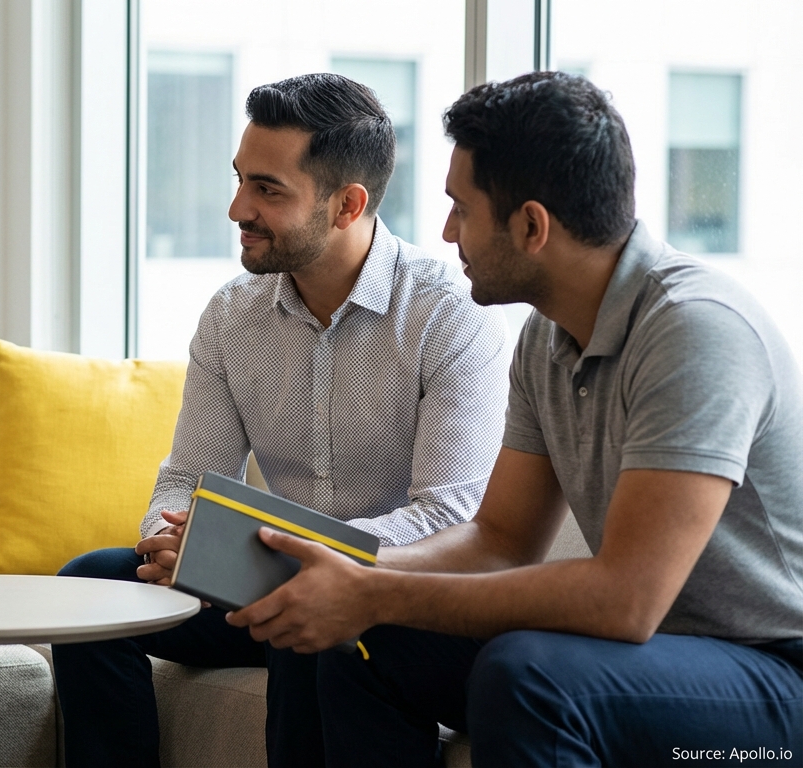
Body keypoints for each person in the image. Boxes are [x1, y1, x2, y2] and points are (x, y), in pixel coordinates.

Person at [226, 71, 803, 766]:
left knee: (526, 675)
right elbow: (499, 540)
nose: (444, 231)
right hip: (650, 653)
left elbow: (626, 598)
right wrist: (339, 577)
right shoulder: (549, 337)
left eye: (461, 209)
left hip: (772, 671)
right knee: (360, 639)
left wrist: (375, 588)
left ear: (531, 226)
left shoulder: (695, 331)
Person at [52, 73, 509, 767]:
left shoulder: (446, 316)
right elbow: (186, 476)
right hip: (259, 575)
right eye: (240, 180)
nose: (237, 208)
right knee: (92, 585)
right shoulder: (233, 316)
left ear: (347, 204)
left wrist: (279, 556)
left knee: (312, 617)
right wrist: (181, 543)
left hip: (391, 599)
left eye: (268, 190)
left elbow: (448, 514)